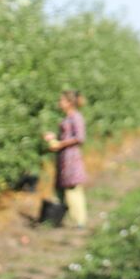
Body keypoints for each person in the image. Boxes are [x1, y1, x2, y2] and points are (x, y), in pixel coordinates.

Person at [44, 90, 88, 228]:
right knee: (62, 188)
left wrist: (61, 143)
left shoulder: (76, 117)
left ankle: (80, 221)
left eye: (61, 100)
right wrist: (53, 138)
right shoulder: (67, 117)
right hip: (63, 157)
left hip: (71, 157)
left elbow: (80, 137)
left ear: (69, 103)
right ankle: (58, 218)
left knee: (73, 187)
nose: (59, 103)